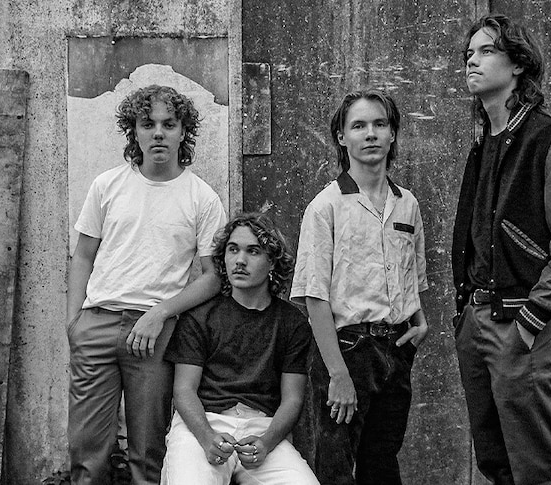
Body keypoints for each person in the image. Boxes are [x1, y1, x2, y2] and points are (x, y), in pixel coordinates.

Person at [451, 14, 551, 485]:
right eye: (469, 53)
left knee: (541, 468)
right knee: (496, 463)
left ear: (517, 64)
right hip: (477, 320)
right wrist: (464, 317)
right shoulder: (484, 143)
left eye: (486, 51)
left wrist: (531, 321)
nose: (473, 60)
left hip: (519, 323)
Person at [67, 84, 227, 484]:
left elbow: (212, 278)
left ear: (182, 132)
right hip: (97, 324)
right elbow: (82, 256)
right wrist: (74, 323)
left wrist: (161, 312)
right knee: (88, 457)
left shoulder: (201, 198)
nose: (158, 132)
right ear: (133, 131)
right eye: (147, 123)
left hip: (155, 335)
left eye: (168, 124)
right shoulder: (107, 185)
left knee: (148, 457)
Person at [291, 89, 429, 485]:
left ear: (392, 135)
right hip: (348, 351)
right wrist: (337, 374)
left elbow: (413, 276)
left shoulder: (408, 204)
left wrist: (419, 321)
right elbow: (314, 297)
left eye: (380, 124)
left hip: (397, 350)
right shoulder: (326, 206)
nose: (370, 134)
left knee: (382, 463)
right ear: (341, 137)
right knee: (335, 467)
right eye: (359, 125)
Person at [162, 213, 319, 485]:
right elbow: (183, 390)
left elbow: (292, 399)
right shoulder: (200, 316)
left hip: (262, 429)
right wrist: (207, 437)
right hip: (203, 424)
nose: (240, 260)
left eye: (253, 251)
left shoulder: (292, 322)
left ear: (272, 261)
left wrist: (266, 443)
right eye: (233, 250)